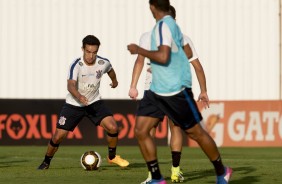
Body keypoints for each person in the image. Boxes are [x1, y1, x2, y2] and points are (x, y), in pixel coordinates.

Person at [127, 0, 232, 184]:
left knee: (196, 133)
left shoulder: (162, 28)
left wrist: (139, 50)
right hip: (155, 89)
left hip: (175, 91)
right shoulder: (173, 28)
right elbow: (188, 52)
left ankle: (221, 170)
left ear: (152, 8)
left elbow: (163, 56)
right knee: (141, 130)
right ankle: (157, 177)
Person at [129, 6, 202, 182]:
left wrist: (203, 90)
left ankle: (174, 171)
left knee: (173, 128)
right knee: (149, 130)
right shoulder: (147, 37)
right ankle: (153, 174)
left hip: (173, 90)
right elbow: (139, 62)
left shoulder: (183, 39)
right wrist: (133, 85)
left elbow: (196, 66)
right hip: (152, 89)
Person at [38, 35, 129, 170]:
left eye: (94, 52)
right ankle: (46, 161)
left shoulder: (103, 63)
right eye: (88, 52)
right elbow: (70, 86)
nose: (91, 56)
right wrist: (79, 96)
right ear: (83, 49)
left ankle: (112, 157)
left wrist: (115, 82)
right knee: (58, 137)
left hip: (94, 103)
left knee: (113, 127)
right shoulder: (76, 65)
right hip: (74, 104)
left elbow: (110, 71)